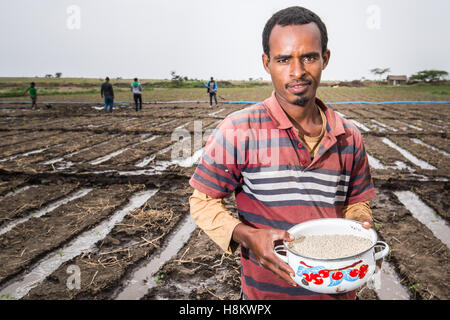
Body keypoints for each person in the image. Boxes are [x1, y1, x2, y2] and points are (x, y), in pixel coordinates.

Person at [189, 6, 376, 300]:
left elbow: (357, 203)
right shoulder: (239, 129)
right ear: (267, 63)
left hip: (336, 290)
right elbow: (203, 203)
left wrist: (360, 224)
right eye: (284, 59)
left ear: (325, 58)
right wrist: (248, 235)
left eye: (309, 57)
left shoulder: (349, 136)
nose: (297, 71)